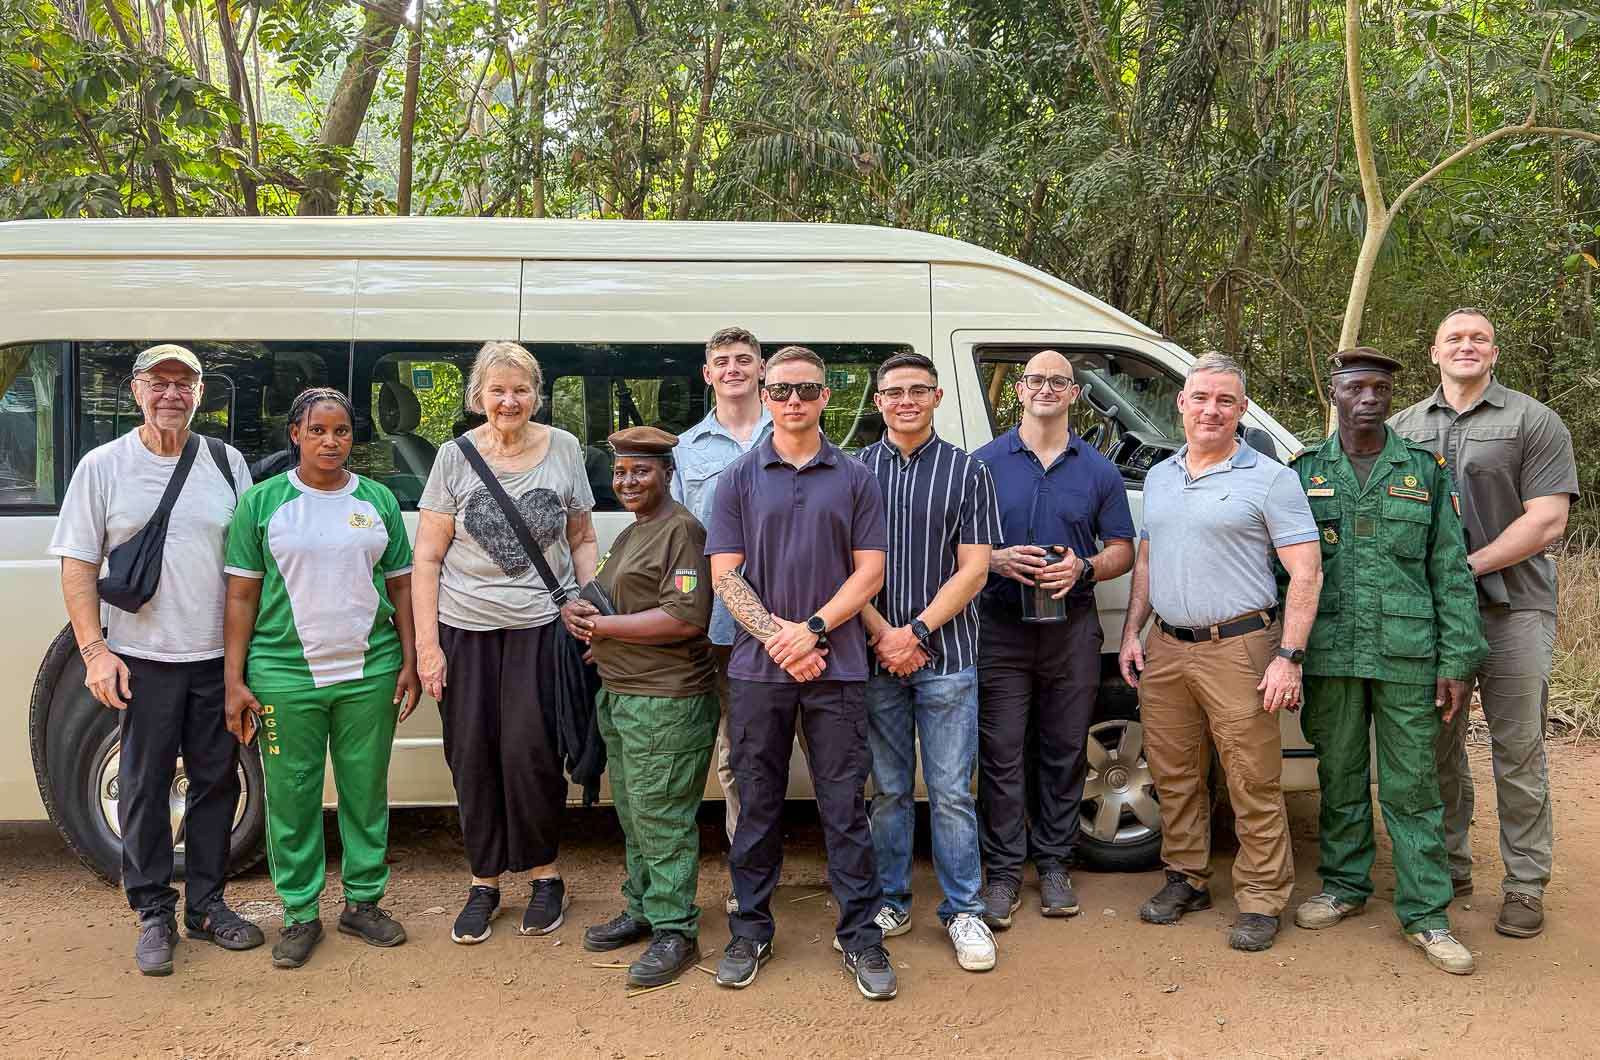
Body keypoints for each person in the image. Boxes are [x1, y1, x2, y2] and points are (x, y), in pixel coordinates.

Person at [49, 343, 262, 976]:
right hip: (141, 657)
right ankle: (152, 912)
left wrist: (245, 660)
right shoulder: (104, 466)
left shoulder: (225, 462)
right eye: (159, 383)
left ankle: (207, 905)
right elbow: (78, 565)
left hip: (216, 658)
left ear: (200, 394)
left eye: (184, 383)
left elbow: (249, 562)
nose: (172, 394)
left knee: (217, 782)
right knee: (143, 787)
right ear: (137, 391)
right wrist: (95, 652)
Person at [704, 345, 896, 1001]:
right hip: (758, 671)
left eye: (807, 390)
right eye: (782, 390)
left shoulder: (855, 476)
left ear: (825, 397)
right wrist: (781, 640)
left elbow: (870, 572)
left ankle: (861, 936)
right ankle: (750, 931)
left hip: (837, 668)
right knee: (757, 804)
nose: (794, 401)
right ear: (765, 396)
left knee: (845, 807)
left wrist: (810, 630)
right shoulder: (737, 477)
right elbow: (724, 575)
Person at [1287, 350, 1487, 975]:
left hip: (1408, 654)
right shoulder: (1303, 473)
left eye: (1380, 388)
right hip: (1331, 652)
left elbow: (1450, 570)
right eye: (1356, 388)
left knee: (1413, 787)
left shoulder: (1423, 471)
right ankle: (1344, 885)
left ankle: (1426, 913)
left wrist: (1458, 659)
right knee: (1340, 775)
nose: (1369, 398)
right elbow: (1284, 572)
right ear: (1335, 394)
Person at [1118, 353, 1322, 953]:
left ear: (1242, 410)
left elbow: (1306, 572)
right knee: (1174, 772)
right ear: (1180, 403)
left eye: (1225, 401)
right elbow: (1147, 561)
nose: (1211, 410)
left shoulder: (1272, 479)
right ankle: (1186, 877)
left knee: (1251, 777)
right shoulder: (1160, 475)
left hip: (1239, 648)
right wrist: (1131, 632)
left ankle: (1261, 897)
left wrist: (1288, 656)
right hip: (1166, 648)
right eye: (1201, 397)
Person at [1391, 308, 1579, 939]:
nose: (1466, 346)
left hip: (1513, 609)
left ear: (1494, 353)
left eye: (1479, 338)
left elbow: (1547, 519)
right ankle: (1448, 865)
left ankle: (1525, 883)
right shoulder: (1402, 428)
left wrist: (1463, 567)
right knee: (1434, 747)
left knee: (1517, 748)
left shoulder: (1533, 421)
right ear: (1434, 352)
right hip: (1431, 620)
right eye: (1454, 338)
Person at [222, 387, 420, 968]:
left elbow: (403, 587)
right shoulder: (262, 503)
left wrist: (410, 661)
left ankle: (363, 902)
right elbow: (241, 596)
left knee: (365, 792)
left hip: (370, 671)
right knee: (293, 796)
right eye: (317, 431)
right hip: (285, 675)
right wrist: (234, 679)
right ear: (296, 435)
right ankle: (300, 913)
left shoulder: (378, 501)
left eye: (341, 431)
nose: (330, 442)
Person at [413, 340, 598, 944]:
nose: (509, 401)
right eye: (498, 390)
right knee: (471, 755)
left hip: (540, 628)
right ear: (478, 397)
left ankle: (545, 876)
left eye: (520, 390)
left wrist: (586, 601)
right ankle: (484, 882)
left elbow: (582, 538)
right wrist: (428, 647)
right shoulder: (454, 456)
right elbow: (427, 558)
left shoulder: (564, 448)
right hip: (464, 628)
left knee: (532, 753)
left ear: (536, 396)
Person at [970, 350, 1135, 928]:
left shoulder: (1099, 470)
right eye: (1036, 380)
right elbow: (955, 544)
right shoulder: (982, 464)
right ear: (1020, 390)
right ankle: (1003, 874)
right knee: (1001, 753)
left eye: (1058, 381)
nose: (1046, 389)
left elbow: (1122, 550)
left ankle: (1056, 865)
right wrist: (995, 559)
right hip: (1000, 628)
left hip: (1072, 630)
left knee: (1065, 750)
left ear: (1073, 393)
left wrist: (1084, 567)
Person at [857, 353, 1001, 970]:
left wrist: (915, 631)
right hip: (875, 657)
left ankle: (964, 910)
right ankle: (891, 900)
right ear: (878, 401)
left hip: (949, 655)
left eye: (919, 390)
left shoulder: (969, 472)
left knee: (949, 792)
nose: (906, 401)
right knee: (888, 790)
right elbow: (843, 568)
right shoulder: (856, 470)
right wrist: (884, 635)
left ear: (938, 398)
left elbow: (975, 568)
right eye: (894, 392)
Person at [564, 426, 718, 989]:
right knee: (634, 814)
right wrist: (584, 619)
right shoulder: (635, 530)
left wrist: (603, 629)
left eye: (641, 471)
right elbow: (616, 601)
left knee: (663, 819)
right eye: (621, 472)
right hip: (624, 693)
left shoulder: (682, 531)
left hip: (665, 701)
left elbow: (684, 618)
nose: (628, 481)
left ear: (667, 474)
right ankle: (645, 908)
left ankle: (676, 929)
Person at [669, 326, 772, 903]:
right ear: (707, 374)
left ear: (761, 369)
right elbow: (680, 545)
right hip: (724, 630)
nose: (733, 369)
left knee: (826, 753)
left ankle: (848, 874)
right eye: (722, 361)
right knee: (738, 755)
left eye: (744, 359)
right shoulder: (686, 450)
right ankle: (748, 876)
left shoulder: (794, 431)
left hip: (800, 621)